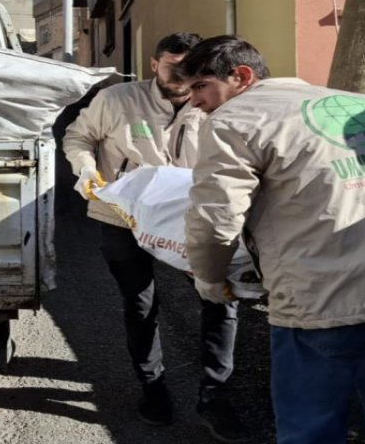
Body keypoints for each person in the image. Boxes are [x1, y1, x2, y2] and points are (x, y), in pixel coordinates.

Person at [179, 35, 365, 444]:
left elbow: (215, 215)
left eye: (199, 86)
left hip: (326, 292)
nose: (194, 101)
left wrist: (209, 279)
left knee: (310, 426)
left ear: (241, 76)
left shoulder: (235, 119)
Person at [63, 33, 243, 442]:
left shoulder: (214, 103)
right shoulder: (117, 100)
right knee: (141, 303)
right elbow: (78, 136)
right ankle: (153, 387)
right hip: (122, 215)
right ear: (153, 63)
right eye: (170, 66)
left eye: (188, 68)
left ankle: (216, 395)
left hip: (189, 218)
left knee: (219, 298)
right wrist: (86, 170)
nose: (178, 76)